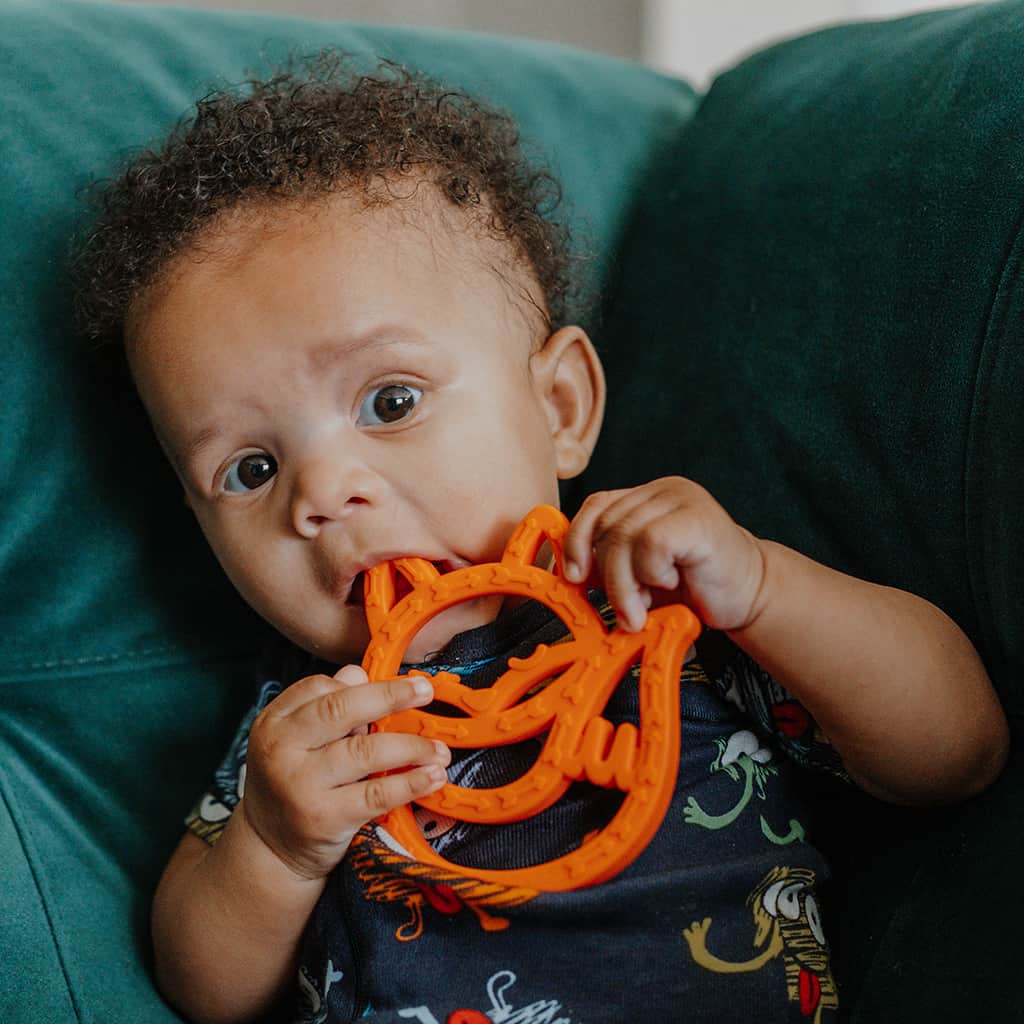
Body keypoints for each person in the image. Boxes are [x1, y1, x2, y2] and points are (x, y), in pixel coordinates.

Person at [73, 55, 1008, 1024]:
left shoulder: (661, 601)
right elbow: (204, 989)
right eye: (250, 470)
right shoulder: (314, 727)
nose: (320, 493)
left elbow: (958, 750)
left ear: (559, 405)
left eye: (389, 401)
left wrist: (767, 589)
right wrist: (272, 844)